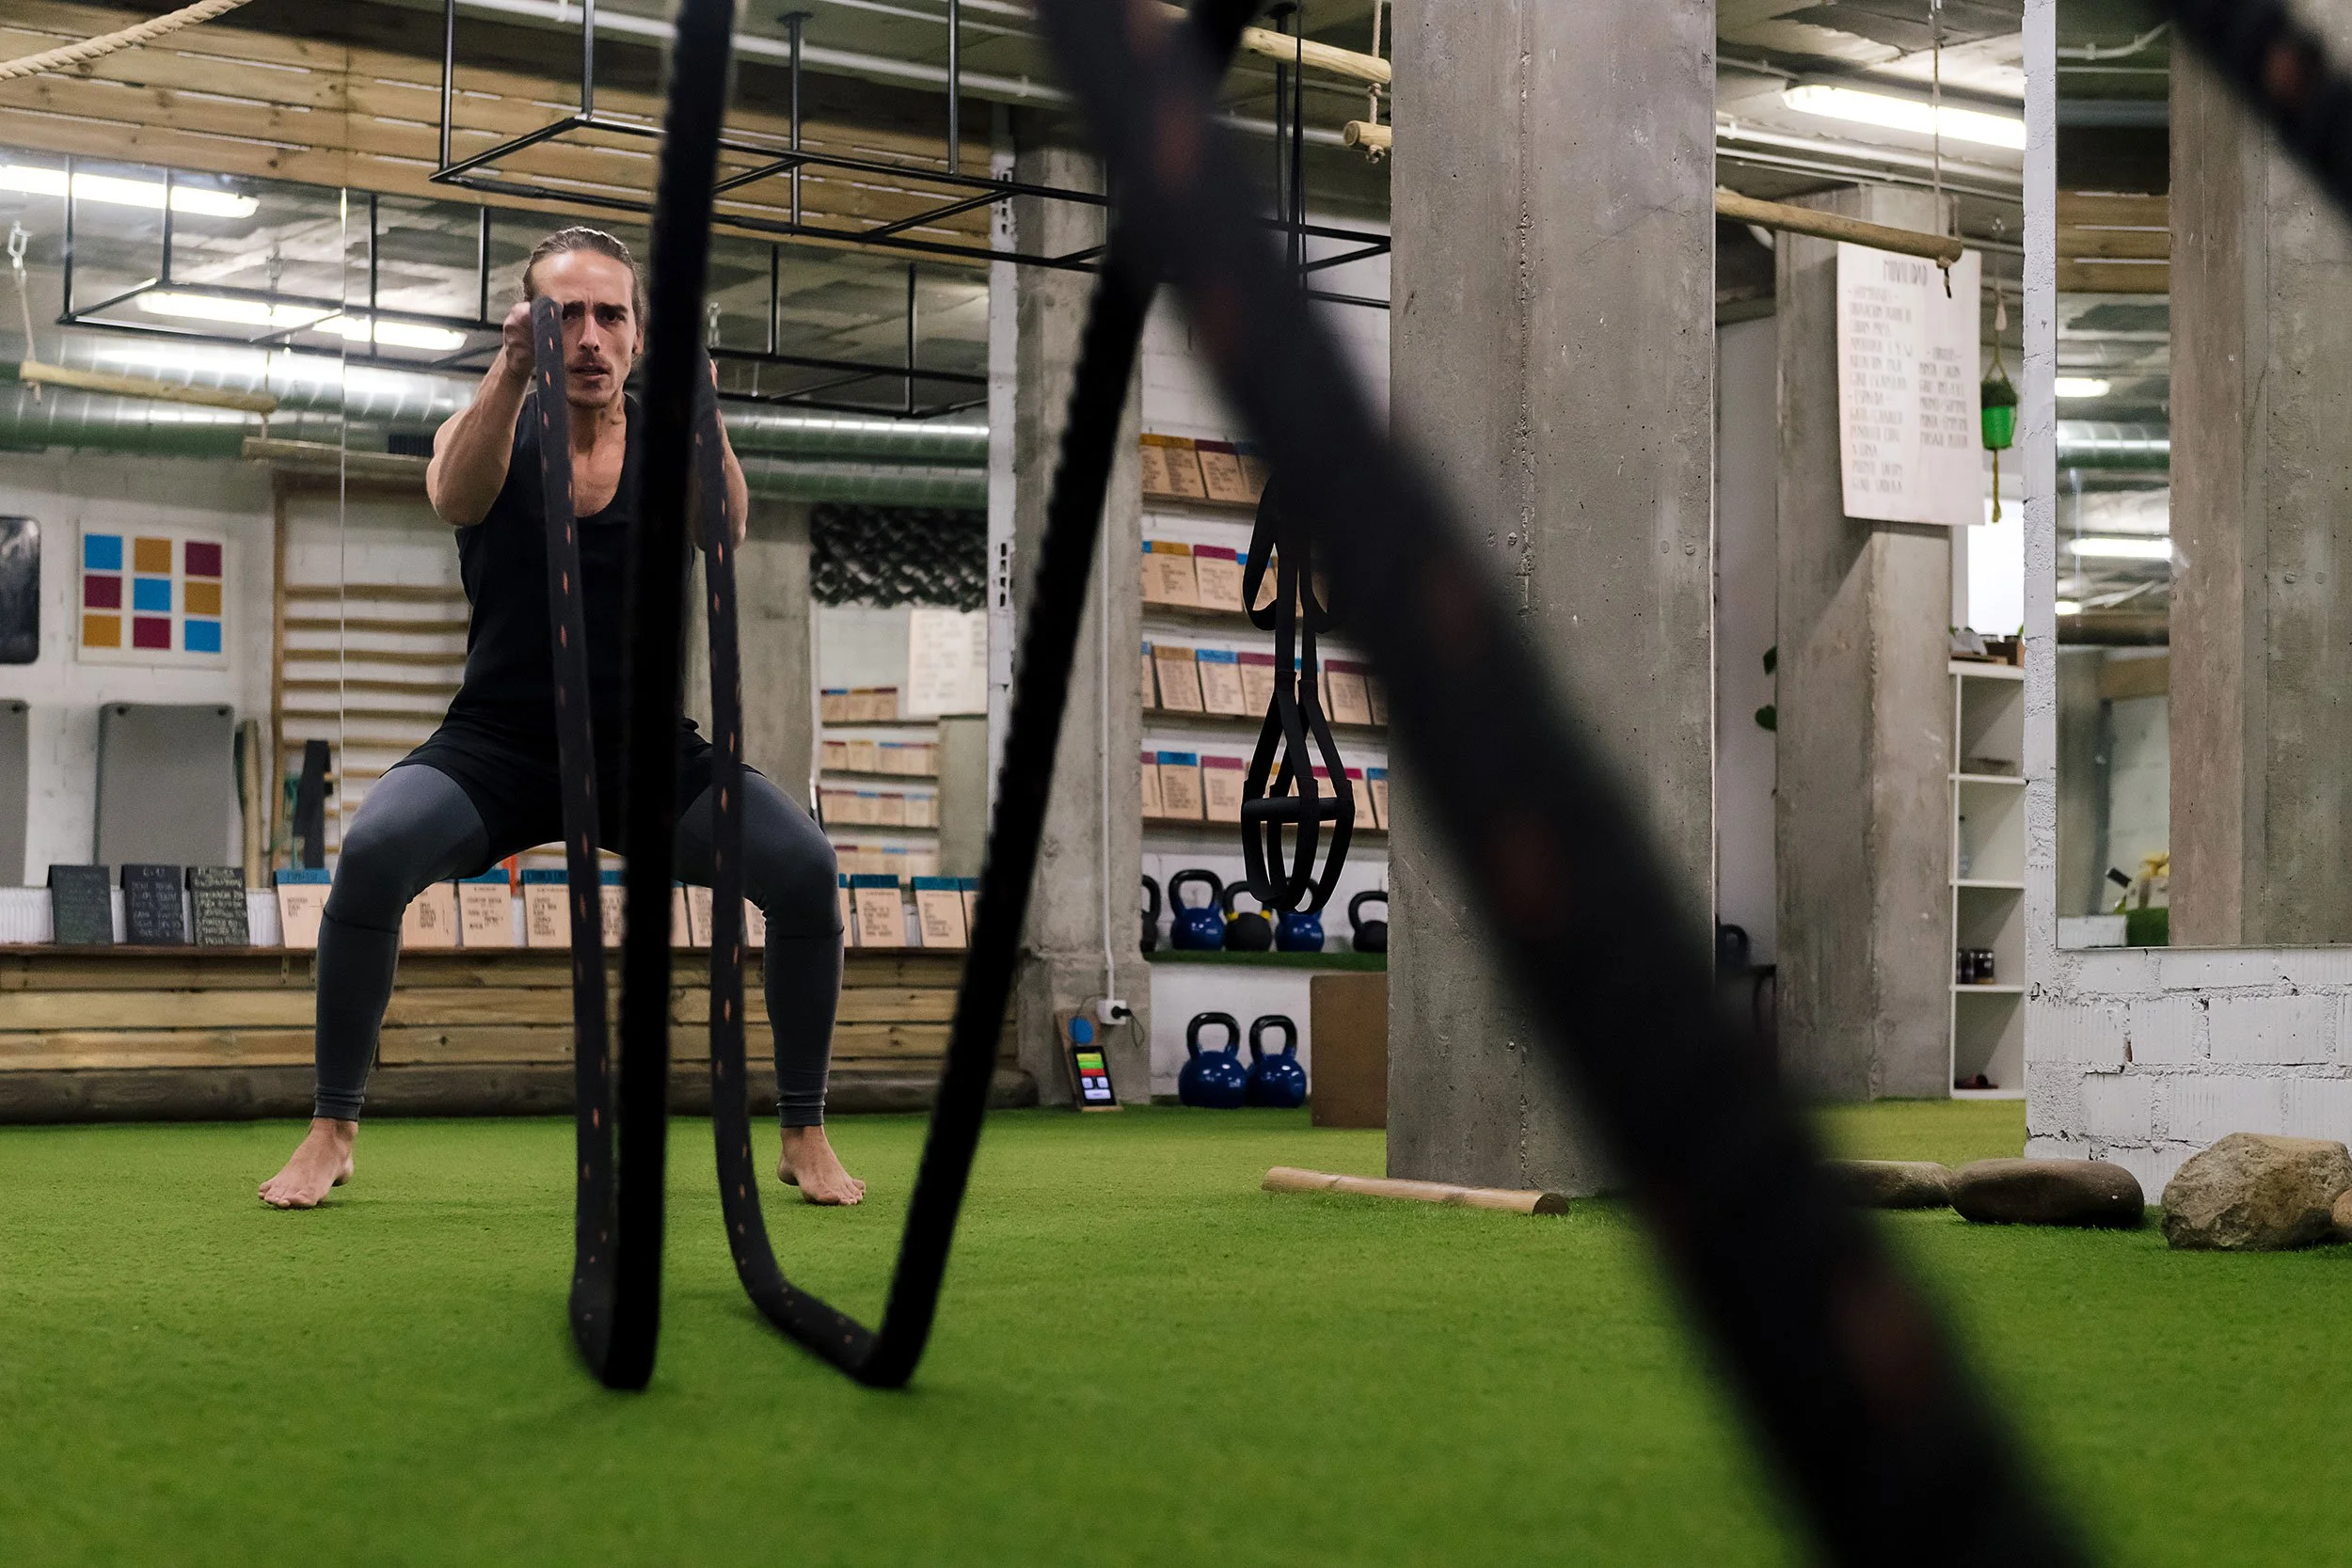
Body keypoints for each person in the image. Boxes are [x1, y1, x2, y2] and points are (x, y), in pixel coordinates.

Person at [259, 227, 862, 1209]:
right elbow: (456, 495)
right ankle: (332, 1126)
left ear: (637, 335)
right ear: (529, 327)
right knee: (371, 854)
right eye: (564, 314)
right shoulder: (491, 424)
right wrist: (505, 372)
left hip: (643, 757)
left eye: (609, 315)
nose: (587, 336)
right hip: (497, 747)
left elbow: (726, 529)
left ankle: (803, 1129)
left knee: (803, 869)